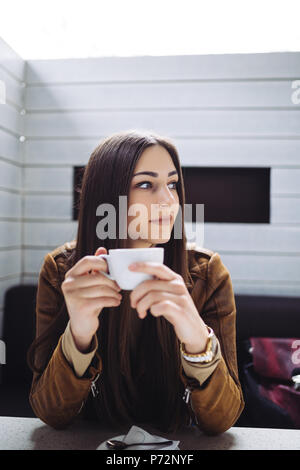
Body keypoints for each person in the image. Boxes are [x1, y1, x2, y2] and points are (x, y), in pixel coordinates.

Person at [27, 129, 244, 435]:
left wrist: (197, 338)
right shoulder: (63, 271)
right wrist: (79, 334)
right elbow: (51, 414)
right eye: (145, 184)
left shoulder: (207, 273)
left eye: (172, 184)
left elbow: (222, 421)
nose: (169, 201)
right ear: (107, 195)